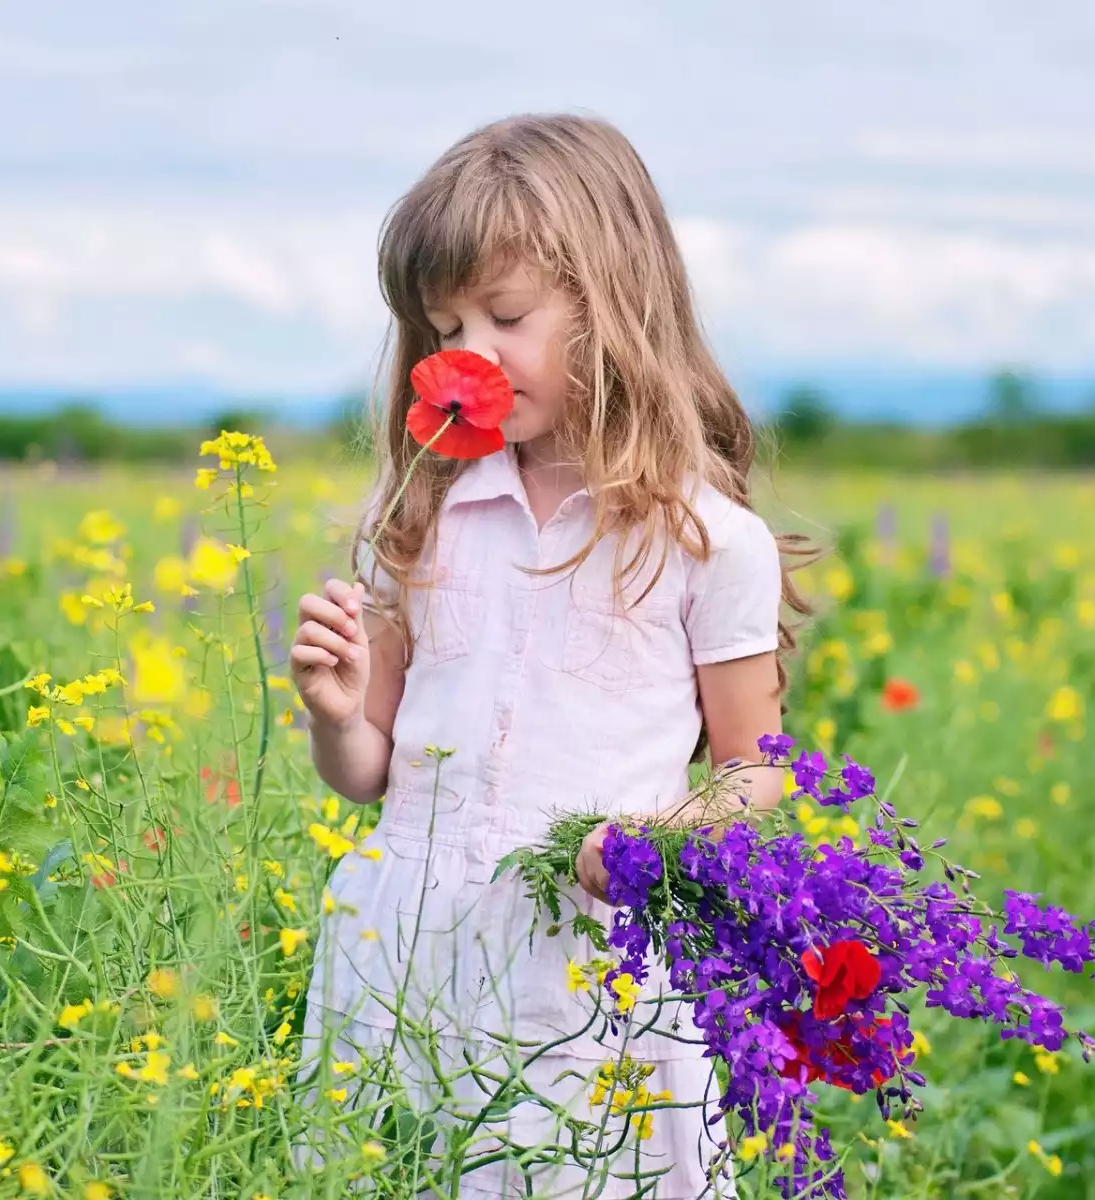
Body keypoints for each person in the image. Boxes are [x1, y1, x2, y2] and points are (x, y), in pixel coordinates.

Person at [289, 112, 811, 1199]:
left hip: (584, 959)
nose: (467, 353)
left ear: (614, 305)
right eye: (444, 325)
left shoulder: (709, 542)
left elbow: (757, 771)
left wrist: (650, 841)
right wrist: (338, 715)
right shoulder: (418, 517)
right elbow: (367, 777)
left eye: (508, 315)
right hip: (403, 946)